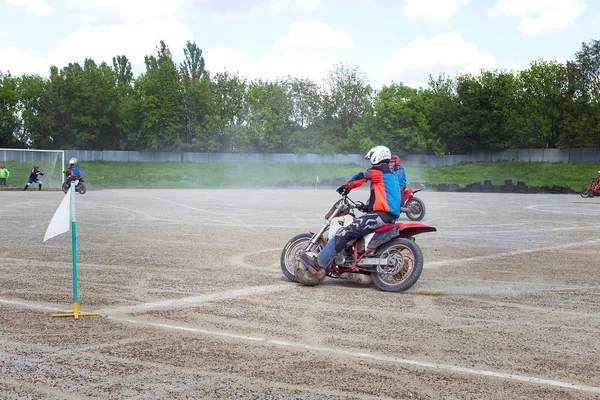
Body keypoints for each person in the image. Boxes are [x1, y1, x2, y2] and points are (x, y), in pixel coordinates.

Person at [299, 145, 400, 272]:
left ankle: (317, 265)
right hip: (387, 216)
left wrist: (346, 187)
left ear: (377, 156)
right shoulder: (392, 174)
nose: (370, 162)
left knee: (343, 233)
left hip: (381, 215)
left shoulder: (379, 171)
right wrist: (366, 207)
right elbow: (387, 197)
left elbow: (360, 177)